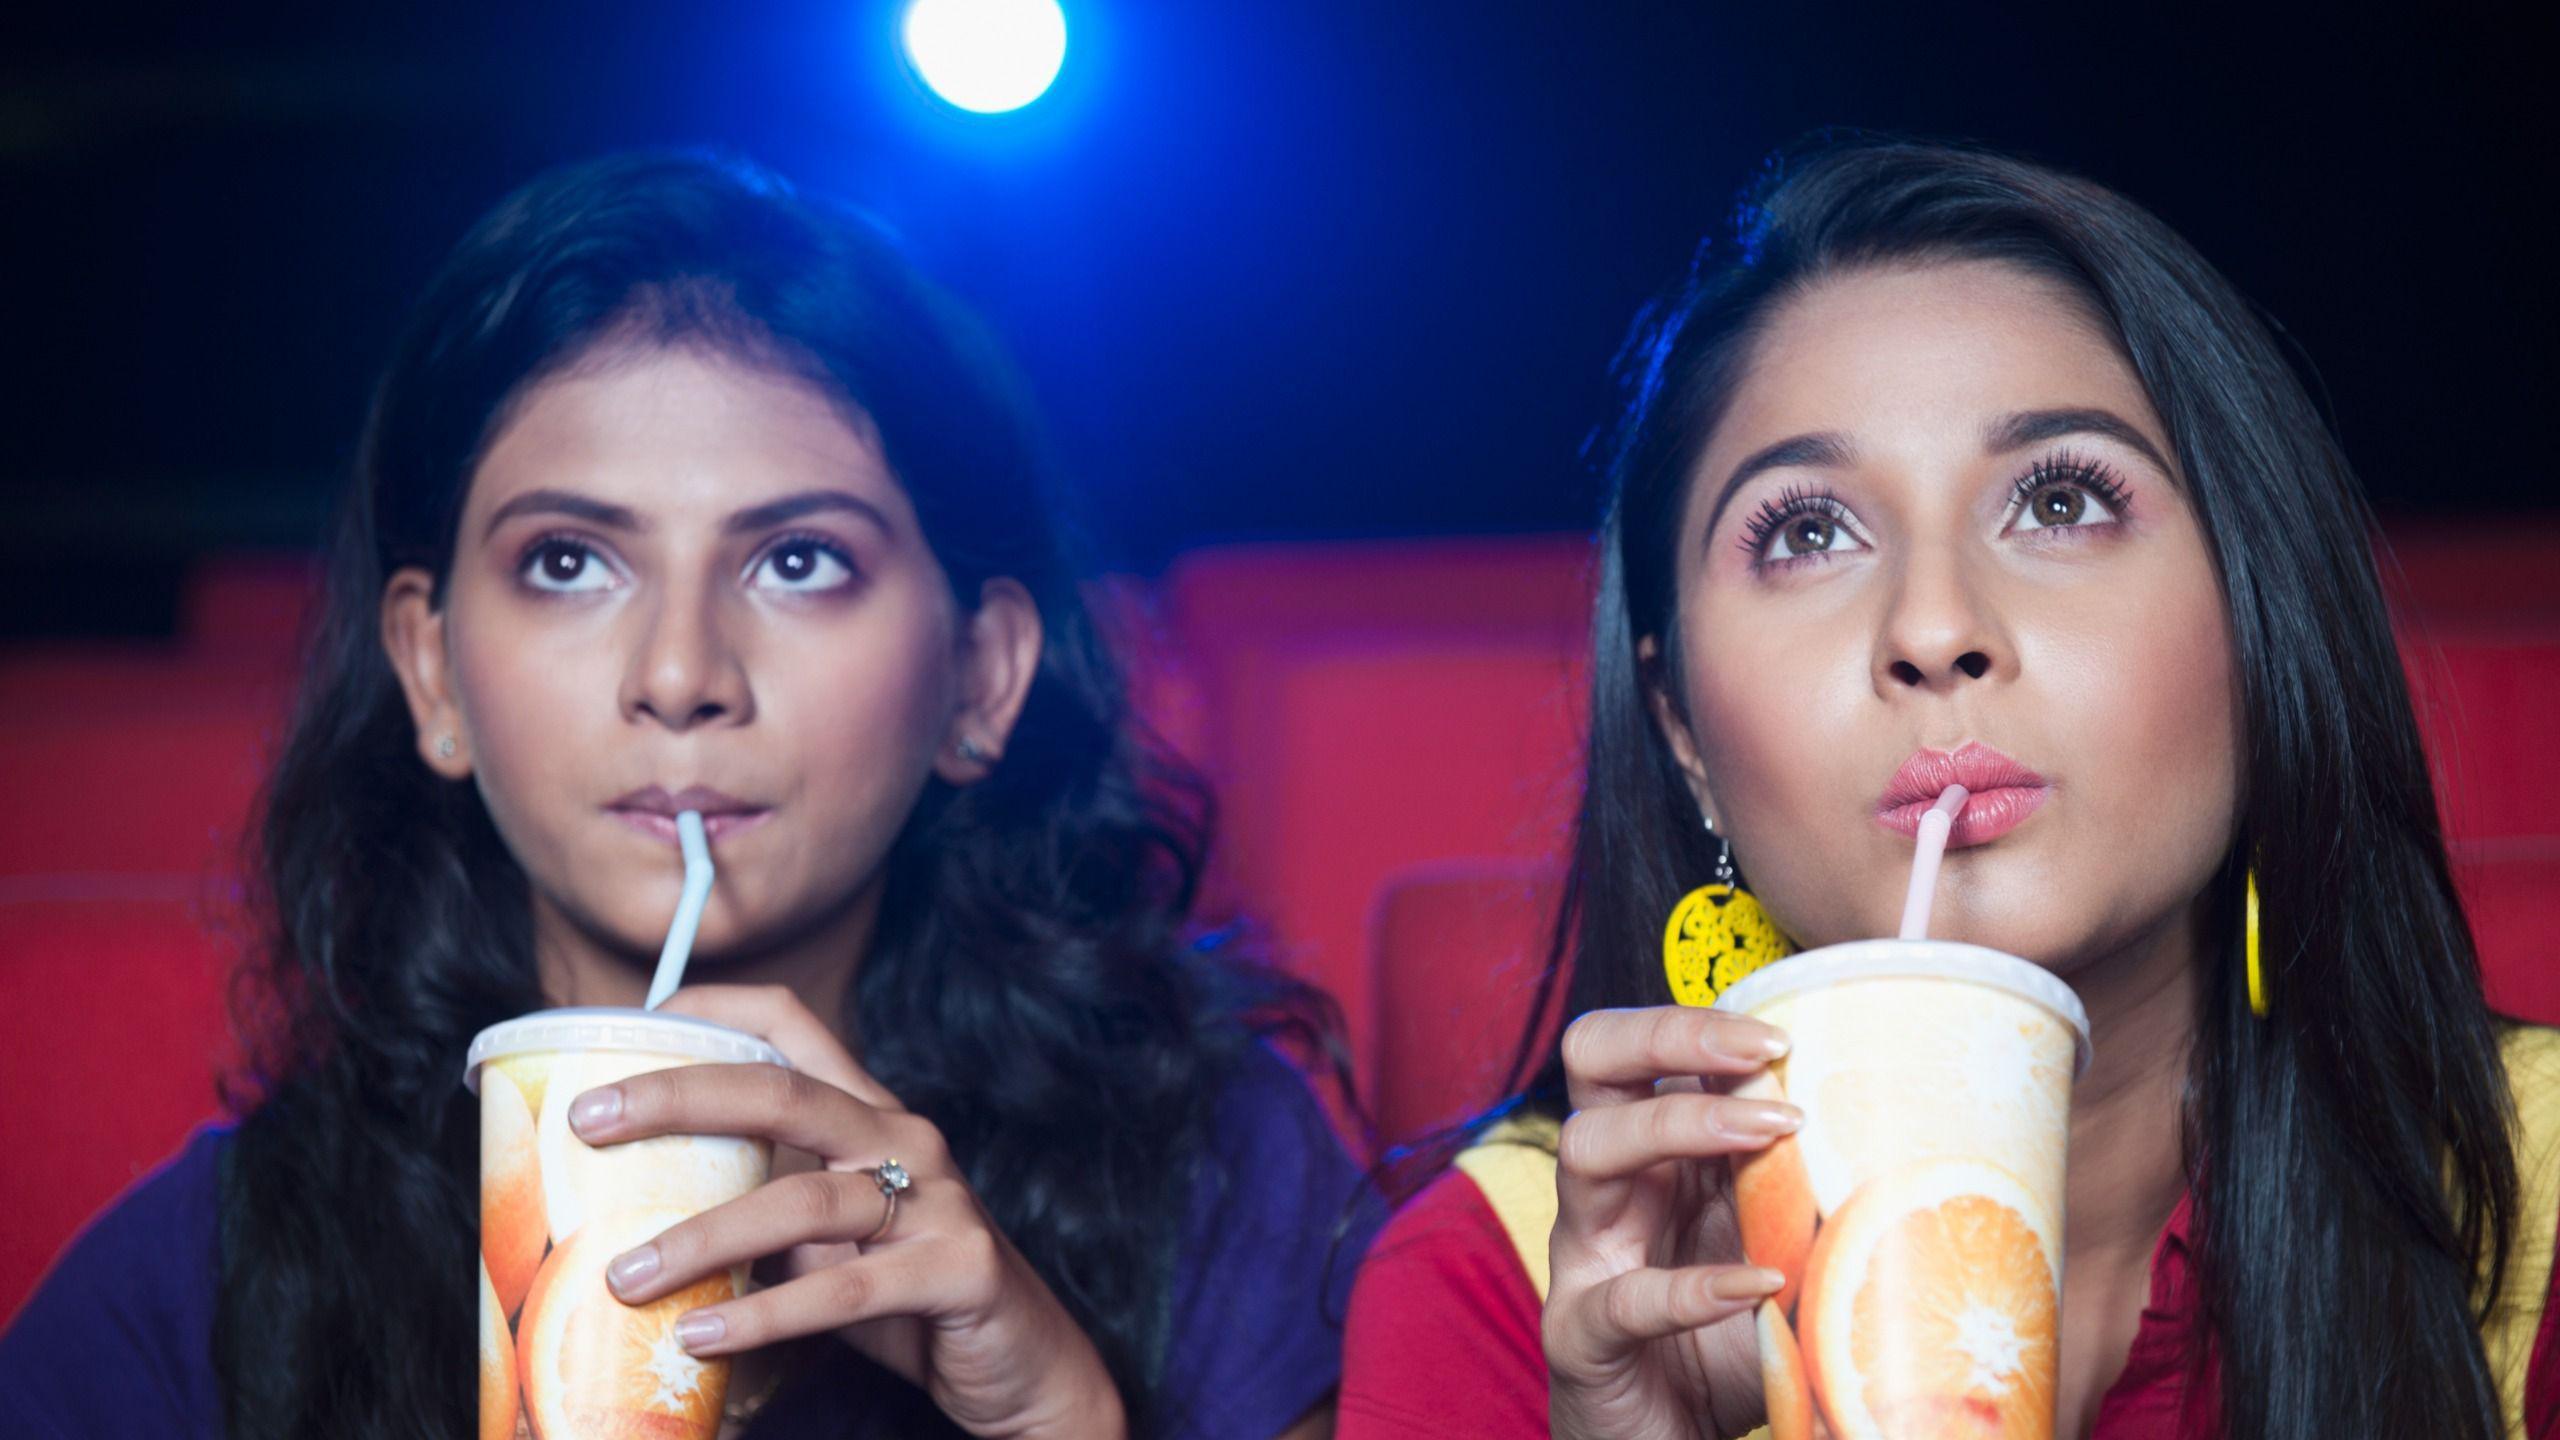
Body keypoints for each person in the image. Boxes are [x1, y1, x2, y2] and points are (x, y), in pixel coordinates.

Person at [0, 151, 1373, 1440]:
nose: (678, 674)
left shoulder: (1212, 1178)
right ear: (430, 674)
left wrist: (1054, 1410)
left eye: (797, 563)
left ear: (981, 678)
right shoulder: (212, 1281)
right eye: (568, 563)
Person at [1337, 136, 2560, 1440]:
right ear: (1682, 725)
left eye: (2060, 499)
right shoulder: (1506, 1292)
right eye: (1809, 532)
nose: (1932, 624)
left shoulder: (2534, 1198)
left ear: (2260, 632)